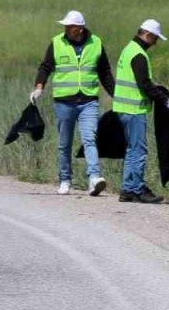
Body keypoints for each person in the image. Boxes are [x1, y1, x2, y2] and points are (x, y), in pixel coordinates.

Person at [30, 10, 116, 197]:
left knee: (89, 139)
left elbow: (105, 73)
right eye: (65, 26)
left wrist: (117, 95)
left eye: (69, 26)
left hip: (88, 101)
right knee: (64, 143)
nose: (66, 29)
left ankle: (94, 178)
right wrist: (39, 87)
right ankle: (65, 179)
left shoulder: (96, 43)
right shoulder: (56, 43)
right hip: (64, 102)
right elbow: (46, 67)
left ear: (79, 28)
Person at [112, 19, 169, 204]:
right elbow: (144, 84)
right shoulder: (139, 54)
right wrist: (165, 101)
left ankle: (127, 189)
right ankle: (138, 190)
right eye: (155, 39)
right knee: (138, 150)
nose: (155, 43)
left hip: (122, 108)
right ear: (148, 35)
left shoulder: (128, 49)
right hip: (134, 109)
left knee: (132, 150)